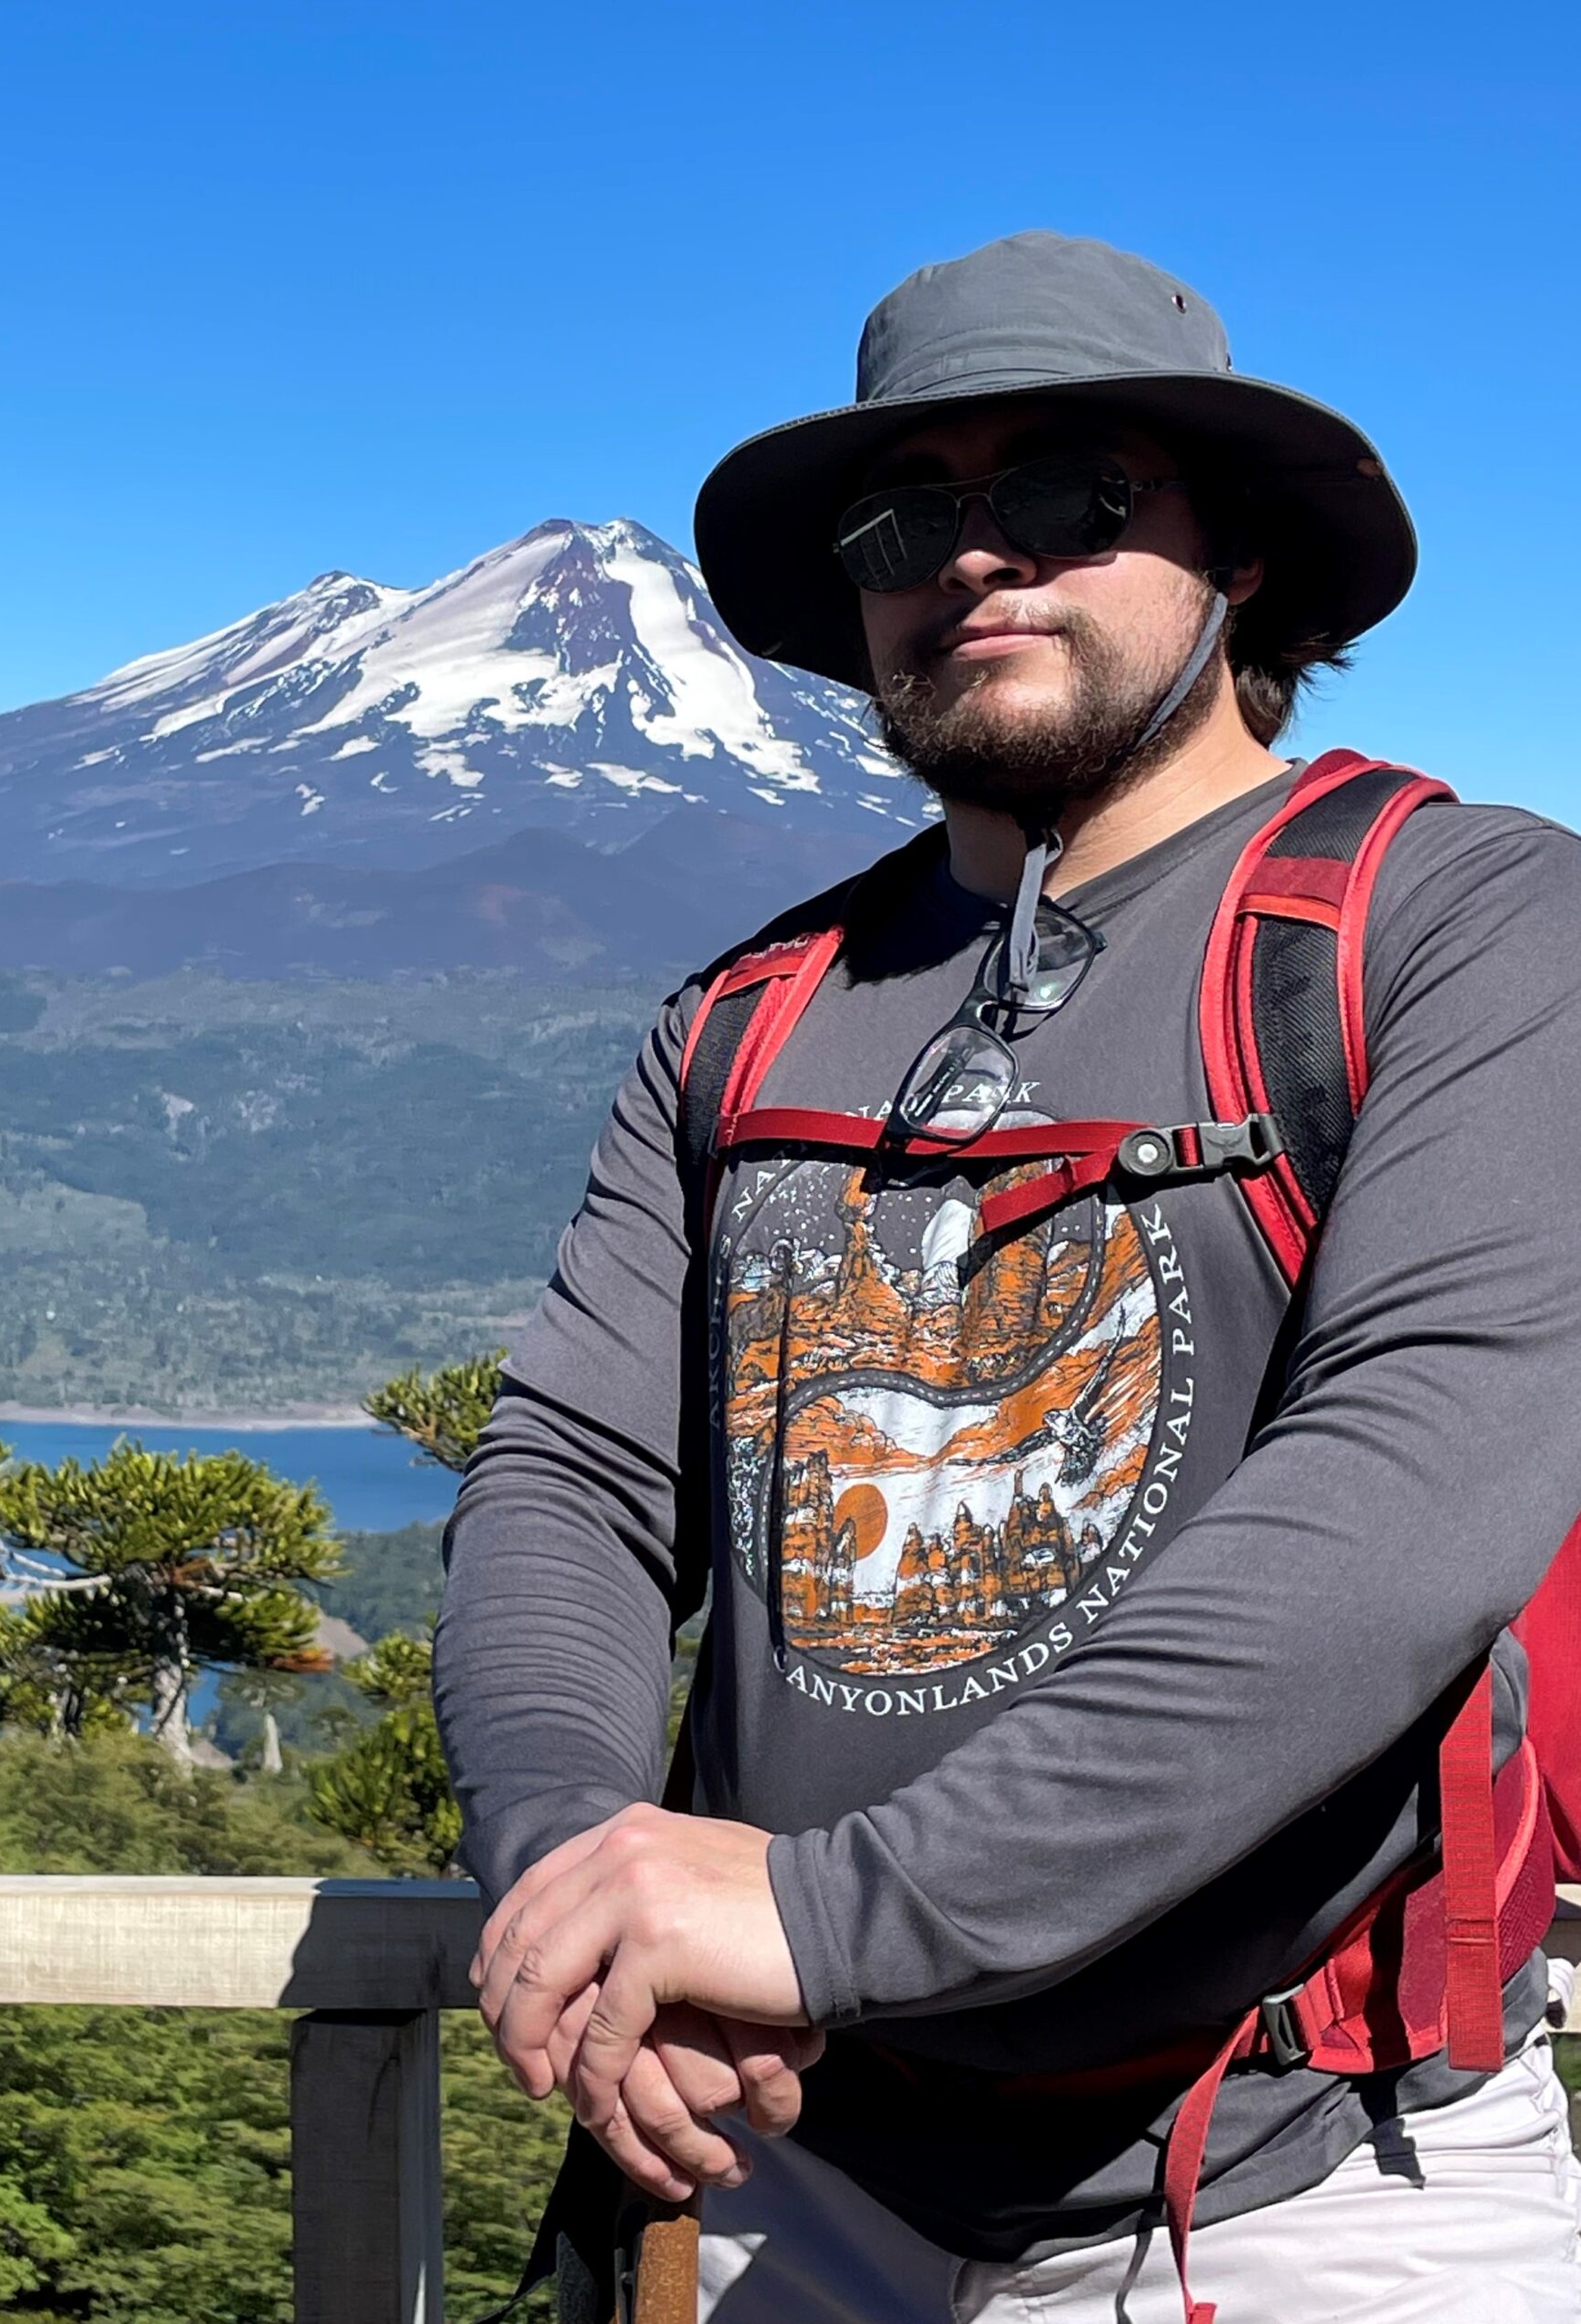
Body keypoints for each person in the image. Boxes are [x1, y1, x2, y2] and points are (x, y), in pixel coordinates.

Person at [435, 230, 1581, 2321]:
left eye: (1064, 495)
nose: (975, 559)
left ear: (1233, 553)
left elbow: (1404, 1488)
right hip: (800, 2154)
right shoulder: (747, 1012)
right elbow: (569, 1485)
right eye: (906, 515)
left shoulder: (1458, 923)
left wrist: (822, 1914)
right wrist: (578, 1886)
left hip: (1303, 2190)